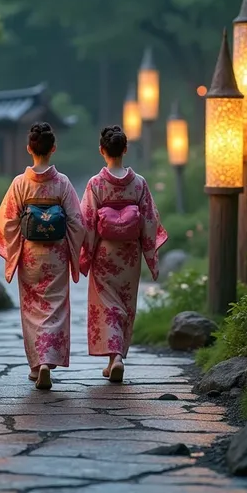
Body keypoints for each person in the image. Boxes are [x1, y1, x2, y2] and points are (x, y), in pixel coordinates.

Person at [0, 122, 85, 390]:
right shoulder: (63, 183)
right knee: (55, 307)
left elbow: (7, 222)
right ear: (53, 149)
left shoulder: (20, 184)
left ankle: (36, 365)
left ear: (29, 148)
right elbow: (77, 222)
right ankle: (49, 362)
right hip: (56, 254)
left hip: (30, 255)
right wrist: (73, 248)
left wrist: (14, 247)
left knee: (32, 309)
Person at [80, 125, 168, 383]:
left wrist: (85, 253)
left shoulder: (96, 184)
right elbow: (150, 220)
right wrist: (150, 253)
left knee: (107, 305)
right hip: (130, 252)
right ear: (125, 149)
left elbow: (86, 221)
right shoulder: (139, 183)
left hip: (105, 251)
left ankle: (113, 355)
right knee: (125, 305)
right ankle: (116, 359)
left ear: (101, 151)